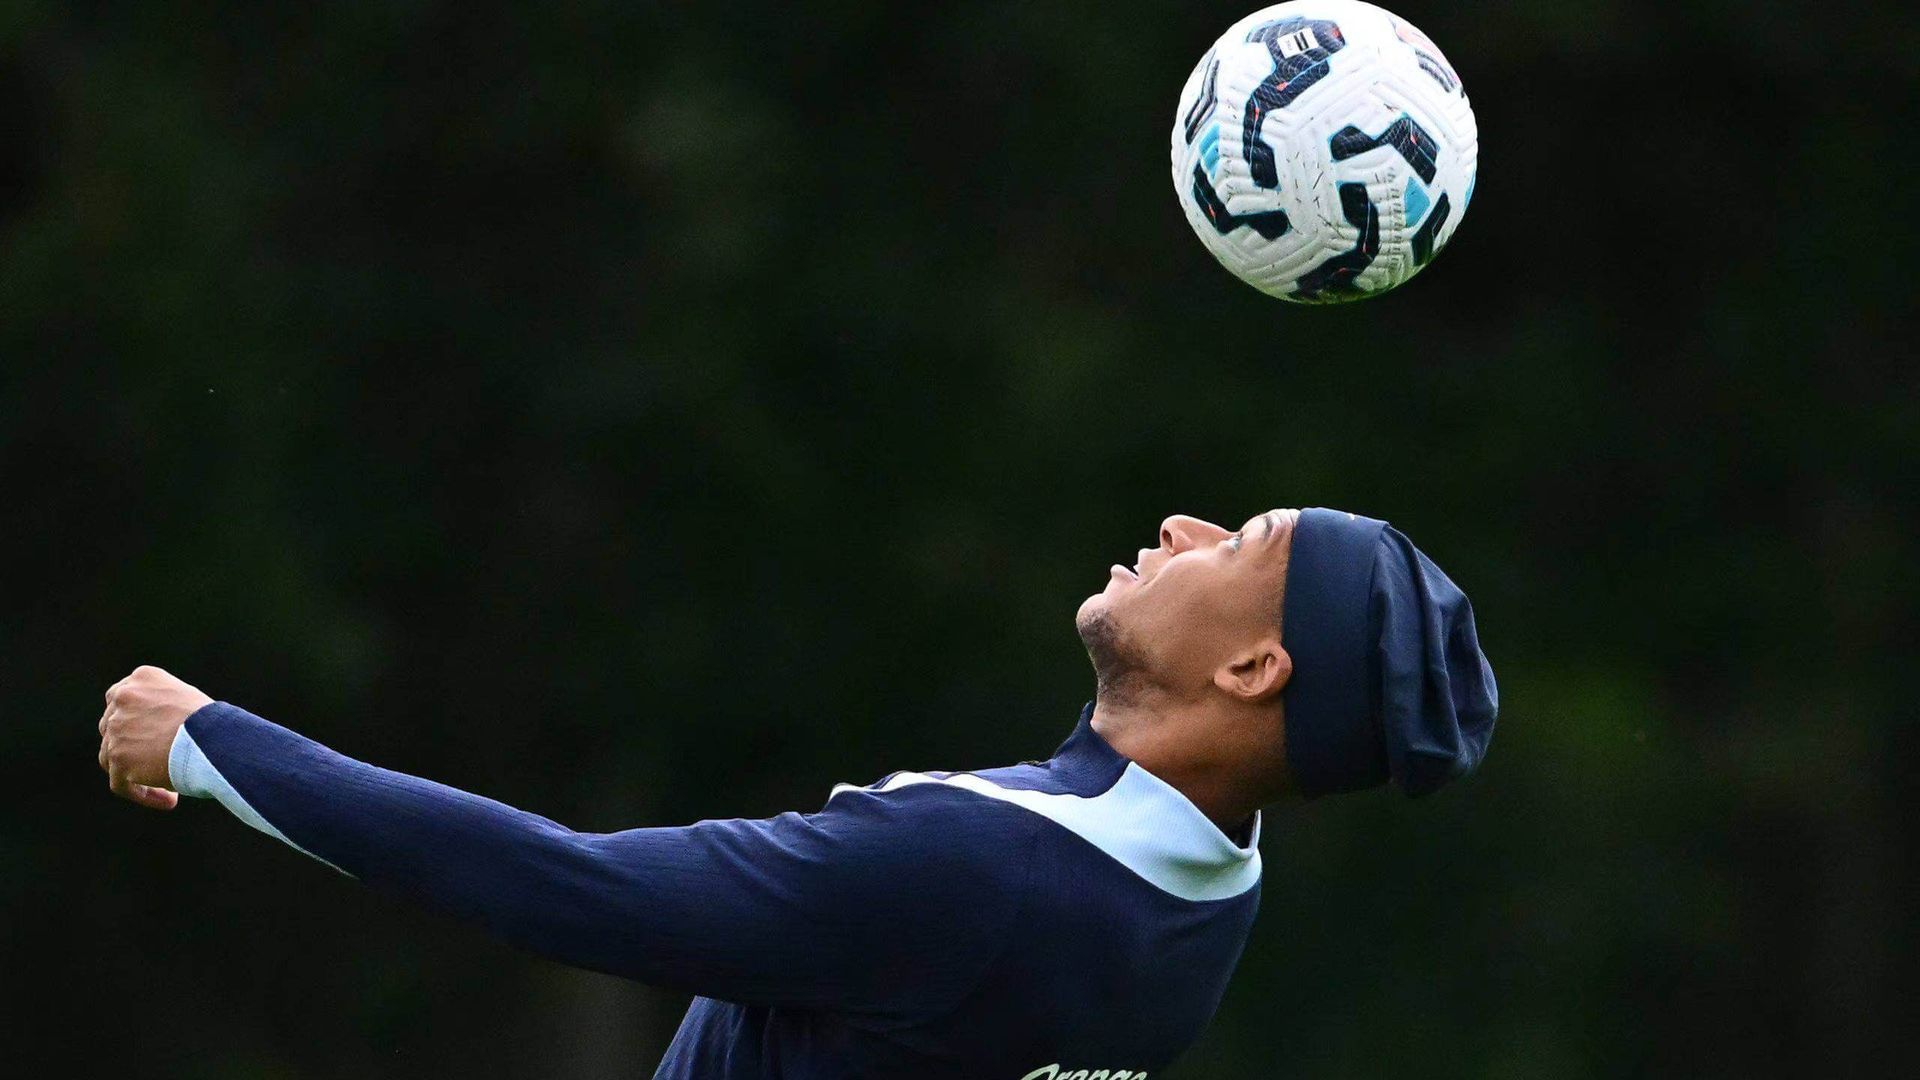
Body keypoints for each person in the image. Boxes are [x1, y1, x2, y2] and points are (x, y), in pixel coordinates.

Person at [95, 507, 1497, 1080]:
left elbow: (561, 888)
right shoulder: (1212, 888)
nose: (1185, 526)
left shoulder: (971, 870)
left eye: (1239, 542)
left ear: (1254, 668)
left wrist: (213, 743)